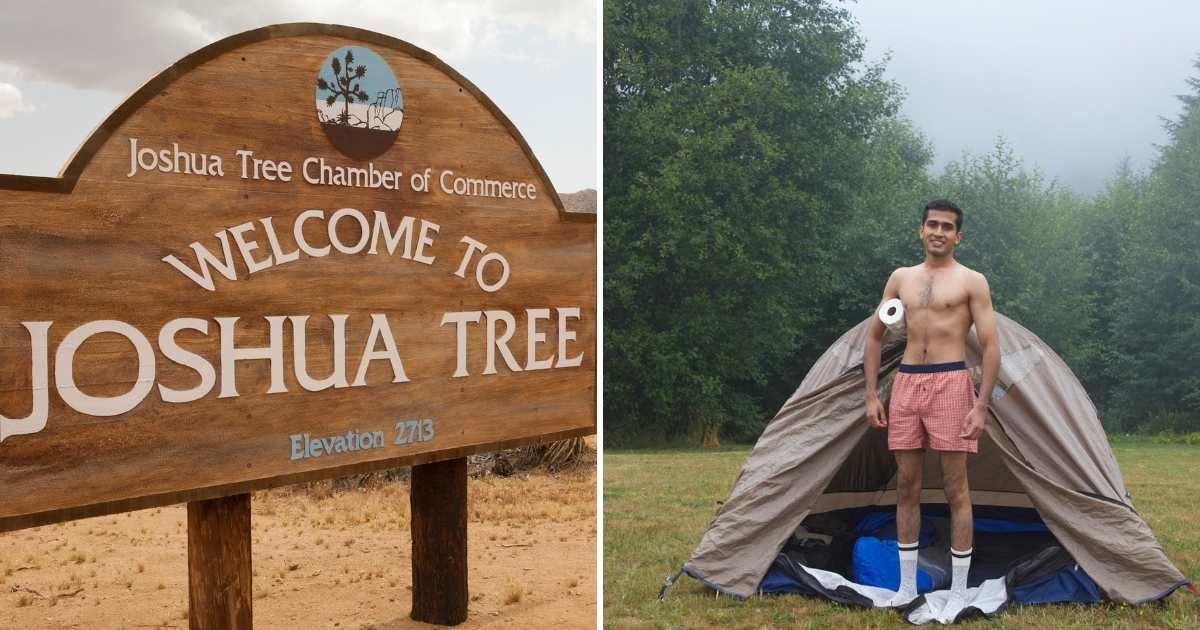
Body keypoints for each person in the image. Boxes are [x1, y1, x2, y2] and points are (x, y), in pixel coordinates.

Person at [862, 199, 1000, 607]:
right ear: (921, 231)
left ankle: (958, 591)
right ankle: (906, 587)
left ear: (959, 236)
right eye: (932, 225)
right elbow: (874, 337)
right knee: (907, 486)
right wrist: (871, 394)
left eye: (947, 226)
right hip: (906, 384)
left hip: (952, 383)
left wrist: (982, 404)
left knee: (957, 488)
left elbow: (991, 346)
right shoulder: (900, 279)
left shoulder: (972, 281)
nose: (939, 231)